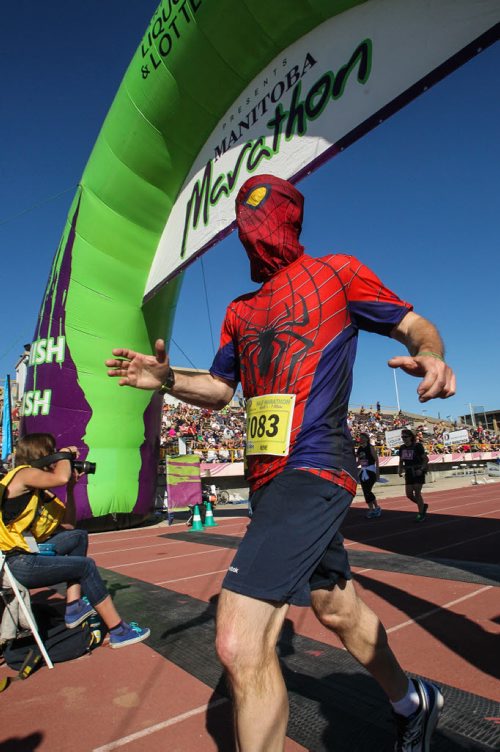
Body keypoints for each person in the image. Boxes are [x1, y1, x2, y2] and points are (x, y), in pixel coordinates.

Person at [106, 174, 455, 751]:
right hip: (267, 480)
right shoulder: (239, 311)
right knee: (335, 607)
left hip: (316, 462)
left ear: (291, 219)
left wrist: (431, 354)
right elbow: (220, 389)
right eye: (244, 222)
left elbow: (412, 322)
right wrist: (168, 380)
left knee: (240, 643)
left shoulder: (338, 273)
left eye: (263, 216)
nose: (253, 230)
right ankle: (412, 701)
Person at [1, 433, 150, 649]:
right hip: (16, 563)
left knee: (77, 536)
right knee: (86, 567)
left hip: (24, 555)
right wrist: (66, 455)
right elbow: (60, 477)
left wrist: (71, 488)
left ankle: (73, 604)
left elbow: (69, 526)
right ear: (43, 455)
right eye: (52, 452)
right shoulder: (22, 475)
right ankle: (118, 631)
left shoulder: (38, 492)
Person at [398, 429, 430, 522]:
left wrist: (421, 469)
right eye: (402, 437)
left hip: (418, 471)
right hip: (408, 472)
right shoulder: (402, 448)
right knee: (409, 494)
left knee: (417, 491)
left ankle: (421, 513)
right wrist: (400, 469)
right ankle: (423, 506)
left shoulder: (417, 446)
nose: (404, 439)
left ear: (411, 437)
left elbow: (426, 459)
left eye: (405, 437)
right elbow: (401, 460)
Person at [356, 432, 381, 518]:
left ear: (367, 439)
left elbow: (376, 460)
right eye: (360, 437)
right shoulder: (359, 449)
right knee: (365, 491)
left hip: (370, 471)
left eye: (363, 437)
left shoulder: (370, 447)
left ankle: (374, 508)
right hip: (363, 471)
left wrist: (377, 472)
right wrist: (353, 468)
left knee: (367, 490)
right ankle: (374, 508)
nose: (361, 439)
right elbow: (359, 461)